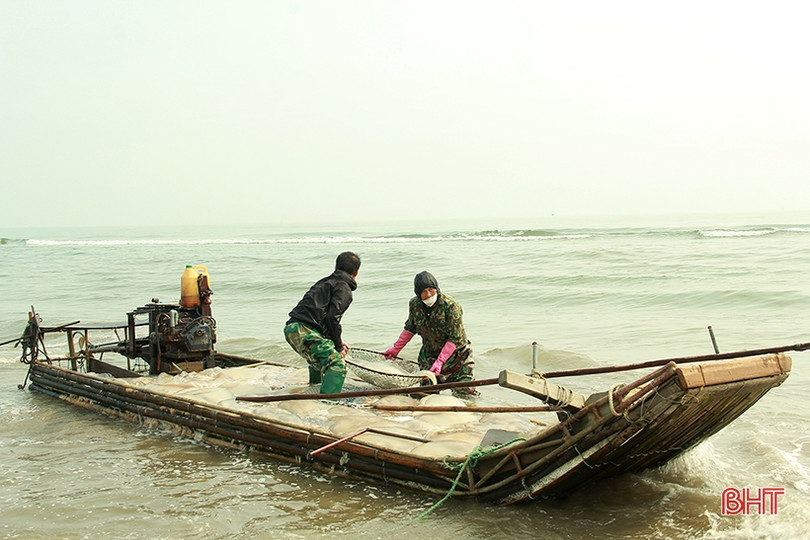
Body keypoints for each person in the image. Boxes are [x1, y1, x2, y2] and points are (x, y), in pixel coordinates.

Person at [382, 271, 476, 394]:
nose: (428, 295)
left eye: (431, 290)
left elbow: (455, 338)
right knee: (425, 395)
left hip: (457, 360)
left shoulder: (451, 306)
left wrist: (440, 361)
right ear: (418, 294)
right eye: (424, 292)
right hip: (429, 358)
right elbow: (410, 327)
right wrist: (395, 349)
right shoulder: (415, 304)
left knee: (467, 396)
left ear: (437, 288)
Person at [284, 251, 361, 394]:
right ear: (356, 272)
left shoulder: (324, 282)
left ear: (335, 267)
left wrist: (336, 339)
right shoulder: (344, 288)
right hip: (304, 331)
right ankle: (326, 404)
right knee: (337, 364)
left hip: (292, 329)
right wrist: (338, 347)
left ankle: (313, 390)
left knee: (318, 361)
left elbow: (319, 316)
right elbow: (332, 318)